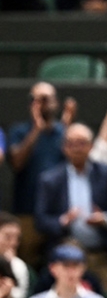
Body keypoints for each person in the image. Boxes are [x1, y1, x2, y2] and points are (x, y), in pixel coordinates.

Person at [35, 124, 107, 288]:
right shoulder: (50, 180)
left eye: (81, 143)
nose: (76, 148)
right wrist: (63, 220)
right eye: (71, 143)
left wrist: (105, 219)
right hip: (65, 256)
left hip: (101, 254)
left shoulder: (106, 174)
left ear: (91, 146)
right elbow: (41, 220)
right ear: (64, 147)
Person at [7, 83, 75, 216]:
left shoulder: (63, 132)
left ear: (56, 102)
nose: (44, 104)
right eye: (37, 100)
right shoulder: (19, 131)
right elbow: (17, 163)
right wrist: (37, 129)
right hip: (27, 209)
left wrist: (67, 129)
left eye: (47, 99)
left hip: (59, 212)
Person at [22, 244, 107, 298]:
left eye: (75, 266)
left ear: (83, 269)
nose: (71, 272)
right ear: (53, 268)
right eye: (66, 266)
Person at [0, 213, 29, 298]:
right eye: (8, 237)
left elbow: (21, 297)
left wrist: (9, 267)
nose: (14, 243)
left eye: (17, 238)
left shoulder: (18, 265)